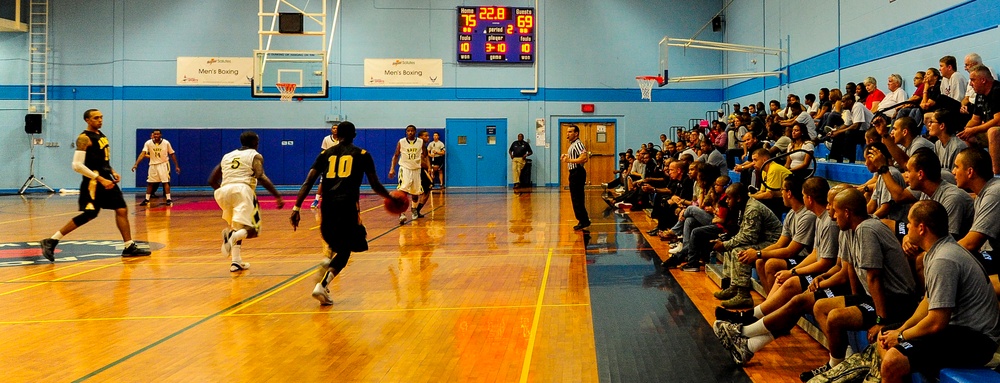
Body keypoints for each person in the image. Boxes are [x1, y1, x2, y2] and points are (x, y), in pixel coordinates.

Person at [876, 200, 1000, 382]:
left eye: (910, 223)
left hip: (978, 341)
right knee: (885, 334)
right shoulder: (936, 251)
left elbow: (936, 323)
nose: (907, 227)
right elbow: (929, 301)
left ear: (921, 228)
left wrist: (902, 336)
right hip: (957, 330)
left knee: (892, 361)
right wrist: (902, 328)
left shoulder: (944, 260)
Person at [289, 121, 392, 305]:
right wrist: (390, 198)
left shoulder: (325, 154)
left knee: (337, 244)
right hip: (347, 206)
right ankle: (323, 284)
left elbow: (309, 181)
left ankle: (327, 267)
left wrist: (296, 208)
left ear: (336, 136)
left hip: (327, 207)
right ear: (355, 134)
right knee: (346, 250)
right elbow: (375, 185)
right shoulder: (362, 154)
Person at [39, 109, 152, 261]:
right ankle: (52, 240)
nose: (100, 120)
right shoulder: (84, 138)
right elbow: (77, 165)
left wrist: (111, 171)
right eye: (96, 118)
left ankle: (128, 246)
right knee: (89, 214)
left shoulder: (101, 135)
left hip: (106, 179)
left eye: (101, 117)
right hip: (94, 182)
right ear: (87, 120)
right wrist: (100, 178)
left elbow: (100, 159)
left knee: (121, 209)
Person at [208, 131, 285, 272]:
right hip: (242, 190)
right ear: (255, 142)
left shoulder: (227, 156)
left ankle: (236, 262)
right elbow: (260, 176)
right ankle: (232, 237)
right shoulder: (254, 155)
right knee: (253, 229)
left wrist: (226, 192)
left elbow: (212, 180)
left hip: (222, 192)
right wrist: (277, 195)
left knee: (238, 226)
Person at [711, 182, 783, 309]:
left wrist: (725, 244)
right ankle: (734, 287)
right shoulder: (743, 206)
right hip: (761, 240)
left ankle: (744, 295)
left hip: (773, 242)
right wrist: (727, 244)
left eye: (729, 198)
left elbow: (749, 237)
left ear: (738, 198)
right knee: (731, 246)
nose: (726, 201)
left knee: (740, 251)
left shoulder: (752, 209)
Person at [131, 129, 181, 206]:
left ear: (161, 135)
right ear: (153, 135)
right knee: (150, 183)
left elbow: (172, 154)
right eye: (155, 134)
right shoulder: (148, 143)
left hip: (163, 164)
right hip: (153, 165)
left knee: (165, 182)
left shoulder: (166, 142)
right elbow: (143, 153)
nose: (156, 136)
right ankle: (147, 199)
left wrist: (176, 166)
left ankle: (168, 199)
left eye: (158, 134)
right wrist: (136, 164)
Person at [388, 125, 424, 224]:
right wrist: (392, 169)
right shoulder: (401, 142)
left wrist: (429, 168)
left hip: (416, 169)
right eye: (408, 131)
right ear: (406, 132)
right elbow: (396, 155)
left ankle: (414, 209)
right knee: (402, 192)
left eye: (412, 131)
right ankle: (401, 213)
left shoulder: (420, 142)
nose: (410, 132)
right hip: (405, 168)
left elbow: (425, 155)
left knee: (415, 193)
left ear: (415, 132)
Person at [561, 124, 590, 230]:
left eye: (570, 132)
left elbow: (584, 158)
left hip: (577, 172)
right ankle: (583, 219)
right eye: (567, 132)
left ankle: (583, 220)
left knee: (577, 198)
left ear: (576, 133)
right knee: (575, 197)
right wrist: (567, 156)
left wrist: (569, 160)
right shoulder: (572, 144)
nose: (567, 134)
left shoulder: (578, 144)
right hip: (574, 173)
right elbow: (576, 156)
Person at [311, 123, 339, 209]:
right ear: (331, 130)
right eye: (333, 128)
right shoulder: (326, 139)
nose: (335, 130)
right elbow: (323, 152)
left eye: (336, 128)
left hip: (339, 164)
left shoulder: (342, 139)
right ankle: (316, 200)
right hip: (328, 164)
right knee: (322, 182)